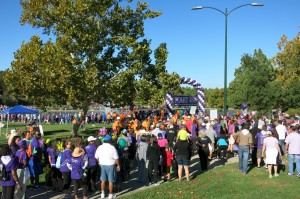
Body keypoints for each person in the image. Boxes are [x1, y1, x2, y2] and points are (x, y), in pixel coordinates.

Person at [95, 135, 120, 199]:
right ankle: (110, 195)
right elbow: (116, 158)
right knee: (110, 181)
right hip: (110, 165)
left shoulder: (99, 147)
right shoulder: (112, 147)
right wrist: (118, 165)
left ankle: (102, 193)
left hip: (102, 165)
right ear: (110, 141)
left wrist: (99, 162)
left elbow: (96, 157)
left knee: (103, 180)